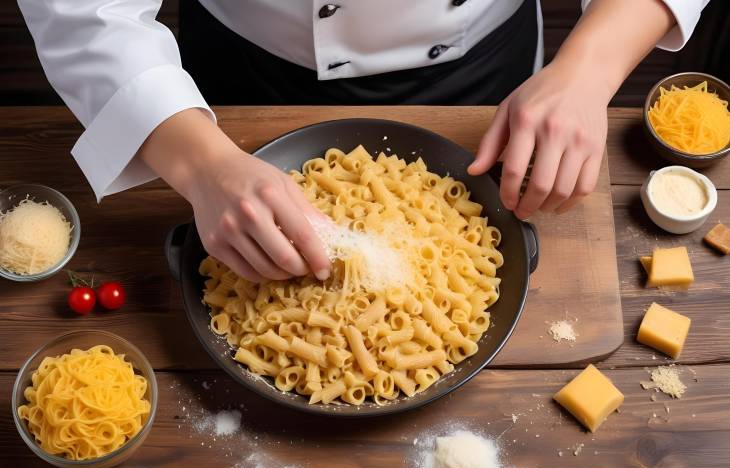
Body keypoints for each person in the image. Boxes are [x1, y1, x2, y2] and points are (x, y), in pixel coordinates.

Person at [19, 0, 708, 283]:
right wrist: (201, 165)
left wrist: (590, 69)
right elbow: (84, 9)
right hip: (234, 75)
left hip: (488, 75)